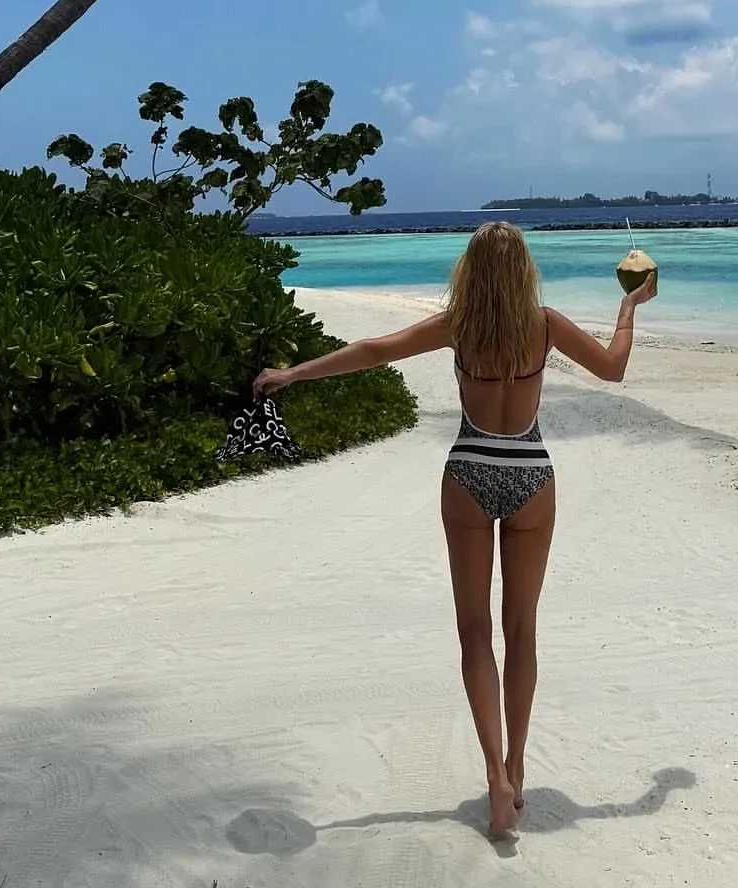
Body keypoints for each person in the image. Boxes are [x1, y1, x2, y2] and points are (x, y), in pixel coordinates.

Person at [253, 220, 657, 840]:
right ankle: (517, 768)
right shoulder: (545, 325)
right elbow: (613, 368)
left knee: (474, 632)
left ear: (470, 270)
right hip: (530, 476)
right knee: (521, 630)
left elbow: (374, 350)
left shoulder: (458, 326)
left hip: (468, 472)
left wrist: (294, 372)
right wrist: (628, 307)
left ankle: (494, 775)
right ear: (523, 270)